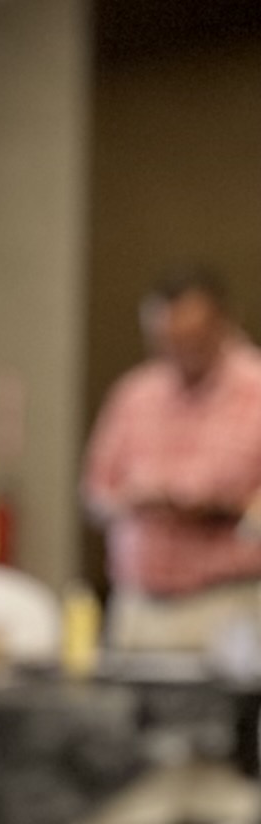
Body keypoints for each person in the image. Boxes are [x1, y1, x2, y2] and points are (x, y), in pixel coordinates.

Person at [82, 268, 261, 653]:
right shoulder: (135, 394)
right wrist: (133, 500)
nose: (180, 352)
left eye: (193, 339)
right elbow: (96, 494)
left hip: (228, 605)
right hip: (138, 607)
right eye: (168, 341)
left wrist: (218, 509)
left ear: (225, 323)